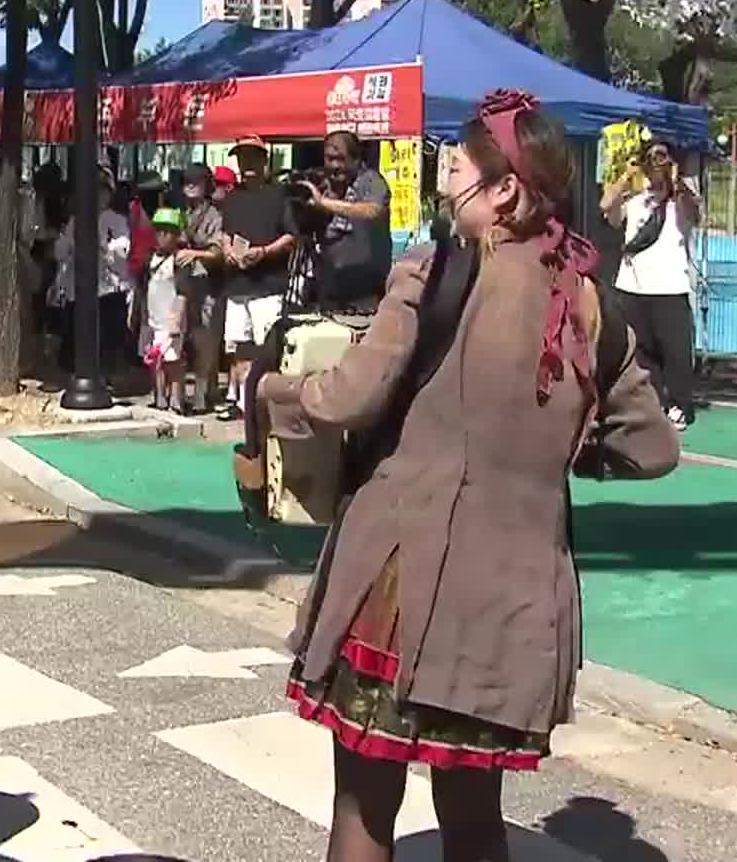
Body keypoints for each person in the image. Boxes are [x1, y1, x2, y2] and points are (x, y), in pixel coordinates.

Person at [256, 90, 679, 862]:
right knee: (475, 815)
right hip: (514, 605)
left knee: (365, 806)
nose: (445, 184)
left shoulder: (434, 270)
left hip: (400, 579)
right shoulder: (589, 302)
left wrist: (276, 391)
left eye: (455, 169)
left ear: (506, 189)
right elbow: (652, 450)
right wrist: (558, 446)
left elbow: (349, 398)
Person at [603, 136, 700, 429]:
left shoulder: (679, 200)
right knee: (641, 352)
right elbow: (607, 207)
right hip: (632, 287)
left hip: (670, 287)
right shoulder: (635, 199)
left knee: (676, 353)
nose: (656, 163)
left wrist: (675, 180)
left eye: (662, 157)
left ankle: (680, 406)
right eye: (652, 158)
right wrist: (627, 174)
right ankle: (655, 404)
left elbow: (695, 213)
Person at [217, 140, 298, 421]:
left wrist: (264, 252)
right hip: (238, 286)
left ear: (264, 161)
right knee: (239, 347)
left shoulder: (279, 195)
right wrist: (228, 251)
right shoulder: (232, 197)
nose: (246, 165)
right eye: (242, 158)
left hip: (268, 286)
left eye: (252, 158)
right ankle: (242, 403)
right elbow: (226, 234)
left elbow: (291, 237)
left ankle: (265, 404)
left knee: (268, 347)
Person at [51, 166, 133, 373]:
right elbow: (61, 252)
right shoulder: (74, 220)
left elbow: (122, 253)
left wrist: (103, 245)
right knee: (75, 339)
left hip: (108, 291)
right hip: (77, 289)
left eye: (102, 190)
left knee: (108, 340)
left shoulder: (118, 221)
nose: (97, 195)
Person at [306, 131, 392, 310]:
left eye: (340, 159)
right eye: (329, 159)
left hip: (366, 293)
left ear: (356, 159)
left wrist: (324, 203)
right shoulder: (322, 184)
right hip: (330, 289)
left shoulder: (371, 181)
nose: (334, 165)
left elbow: (372, 211)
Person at [175, 163, 227, 414]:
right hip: (185, 285)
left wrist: (194, 252)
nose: (191, 184)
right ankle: (191, 393)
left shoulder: (215, 214)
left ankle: (201, 396)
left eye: (196, 180)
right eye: (187, 180)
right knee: (187, 340)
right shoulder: (180, 212)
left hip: (208, 284)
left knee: (206, 342)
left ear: (207, 185)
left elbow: (219, 252)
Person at [139, 207, 189, 412]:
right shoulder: (149, 258)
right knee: (155, 360)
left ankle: (176, 398)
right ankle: (159, 395)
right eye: (159, 231)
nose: (163, 236)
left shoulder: (180, 260)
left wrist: (177, 319)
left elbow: (183, 292)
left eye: (168, 232)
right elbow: (143, 288)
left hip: (172, 319)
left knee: (173, 361)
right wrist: (140, 315)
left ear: (177, 235)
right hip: (153, 317)